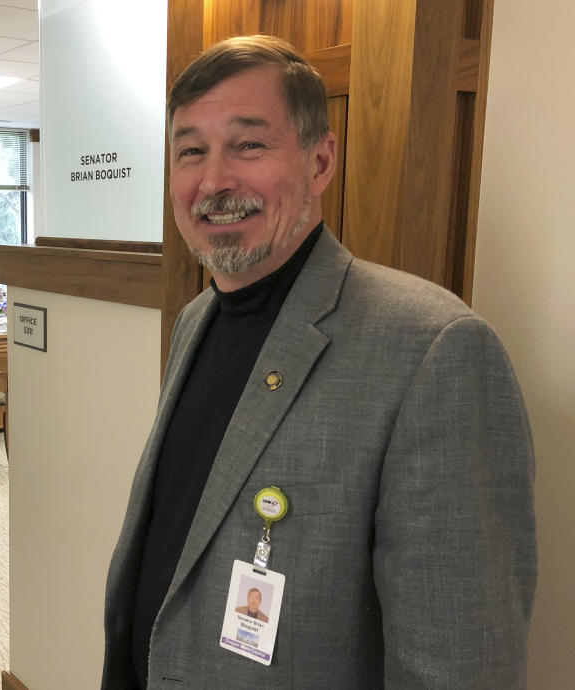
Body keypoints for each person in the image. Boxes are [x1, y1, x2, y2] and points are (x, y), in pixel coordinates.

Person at [102, 35, 536, 689]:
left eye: (248, 144)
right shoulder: (196, 321)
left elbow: (459, 664)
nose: (214, 180)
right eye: (191, 151)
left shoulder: (433, 351)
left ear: (321, 161)